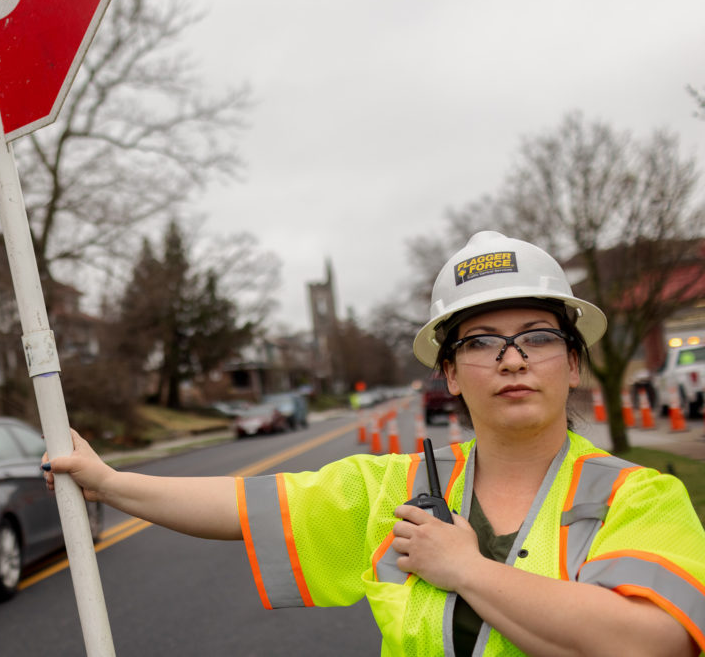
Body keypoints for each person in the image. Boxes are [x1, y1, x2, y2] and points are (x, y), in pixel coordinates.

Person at [43, 231, 705, 656]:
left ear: (573, 362)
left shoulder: (639, 496)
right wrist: (107, 482)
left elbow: (650, 642)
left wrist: (465, 567)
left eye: (536, 336)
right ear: (447, 372)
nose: (511, 360)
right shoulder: (398, 489)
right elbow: (244, 506)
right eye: (479, 342)